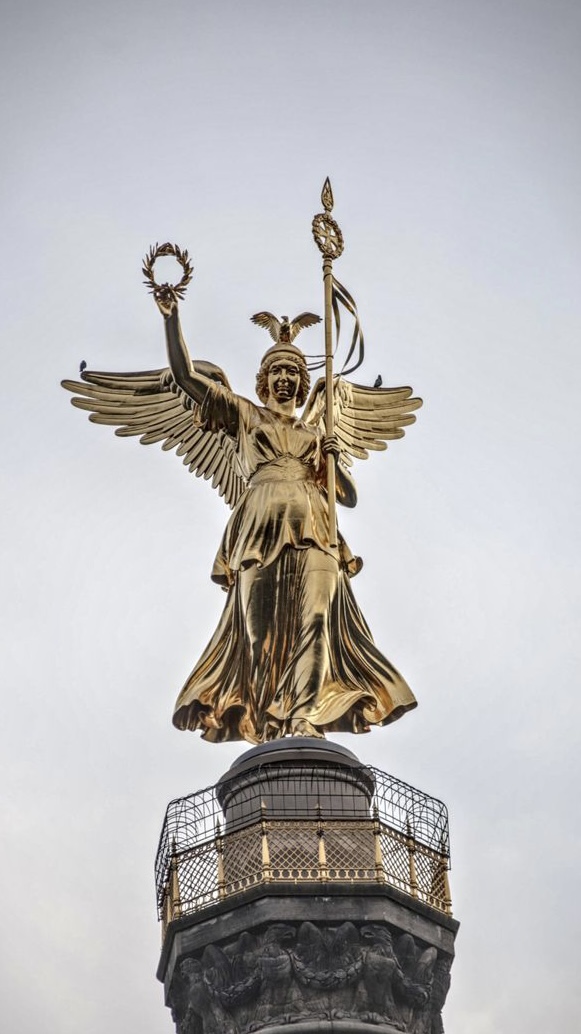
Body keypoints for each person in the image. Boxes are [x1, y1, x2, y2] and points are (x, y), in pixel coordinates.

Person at [154, 288, 417, 743]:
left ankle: (302, 718)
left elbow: (348, 497)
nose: (284, 378)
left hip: (316, 528)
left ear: (301, 381)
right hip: (259, 526)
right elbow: (184, 376)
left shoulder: (317, 430)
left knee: (317, 622)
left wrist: (333, 457)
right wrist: (171, 316)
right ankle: (269, 726)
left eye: (293, 371)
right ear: (264, 379)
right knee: (261, 636)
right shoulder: (244, 415)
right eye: (276, 370)